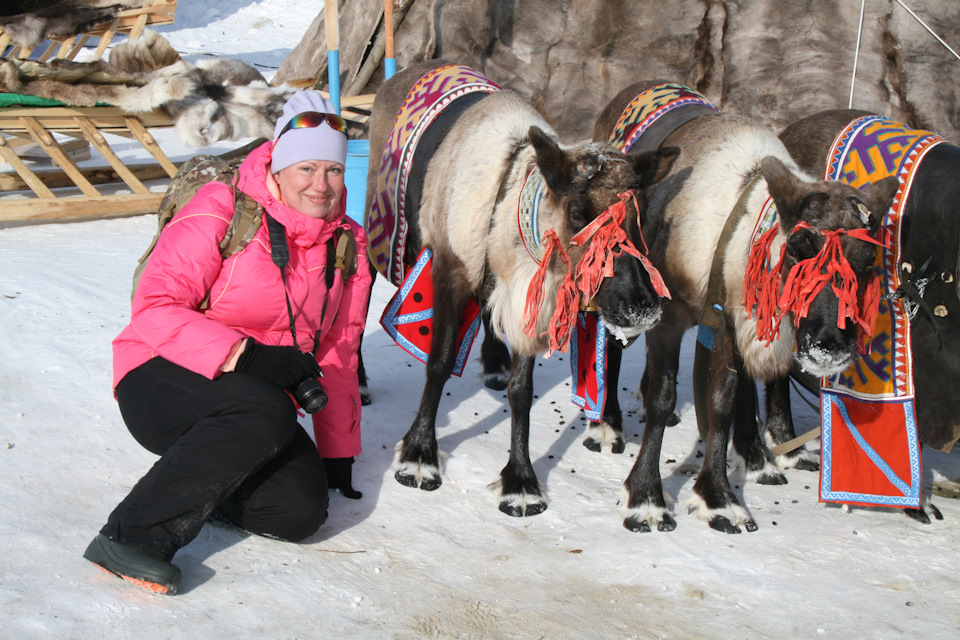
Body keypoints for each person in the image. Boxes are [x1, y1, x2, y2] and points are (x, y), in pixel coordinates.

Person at [83, 90, 372, 595]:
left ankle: (203, 475)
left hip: (250, 407)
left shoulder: (347, 240)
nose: (320, 185)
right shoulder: (223, 206)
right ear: (279, 166)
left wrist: (338, 447)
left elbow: (339, 350)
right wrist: (247, 354)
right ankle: (132, 538)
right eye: (306, 168)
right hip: (160, 375)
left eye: (332, 169)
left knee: (296, 512)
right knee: (261, 409)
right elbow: (154, 308)